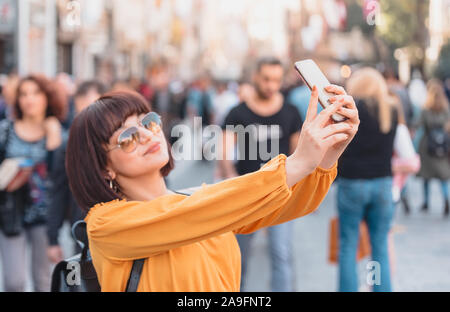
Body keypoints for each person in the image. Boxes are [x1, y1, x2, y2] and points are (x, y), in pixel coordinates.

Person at [64, 85, 359, 292]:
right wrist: (296, 163)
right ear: (104, 167)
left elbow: (290, 203)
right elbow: (191, 213)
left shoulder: (199, 200)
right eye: (127, 136)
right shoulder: (105, 224)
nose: (145, 134)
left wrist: (329, 150)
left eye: (147, 122)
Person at [218, 58, 303, 291]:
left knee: (281, 253)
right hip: (246, 194)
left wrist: (298, 187)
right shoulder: (238, 113)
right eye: (266, 79)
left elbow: (298, 152)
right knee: (238, 257)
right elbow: (224, 151)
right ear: (256, 77)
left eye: (276, 80)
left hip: (280, 193)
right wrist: (230, 180)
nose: (271, 85)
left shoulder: (290, 112)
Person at [337, 67, 401, 292]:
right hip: (382, 182)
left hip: (352, 182)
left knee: (348, 246)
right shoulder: (391, 110)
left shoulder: (348, 111)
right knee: (379, 246)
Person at [0, 74, 65, 291]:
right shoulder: (5, 130)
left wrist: (54, 137)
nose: (29, 99)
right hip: (11, 212)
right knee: (14, 281)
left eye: (36, 93)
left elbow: (59, 176)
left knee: (43, 281)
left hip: (45, 216)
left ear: (47, 97)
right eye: (24, 94)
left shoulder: (58, 132)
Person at [47, 81, 106, 264]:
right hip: (83, 234)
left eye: (92, 110)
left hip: (121, 231)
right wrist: (52, 239)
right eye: (81, 112)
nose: (87, 119)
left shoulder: (125, 142)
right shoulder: (69, 147)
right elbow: (58, 192)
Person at [417, 79, 450, 217]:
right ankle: (446, 199)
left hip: (427, 146)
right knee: (443, 177)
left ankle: (426, 202)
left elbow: (420, 126)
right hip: (442, 147)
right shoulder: (446, 109)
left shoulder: (425, 110)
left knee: (426, 176)